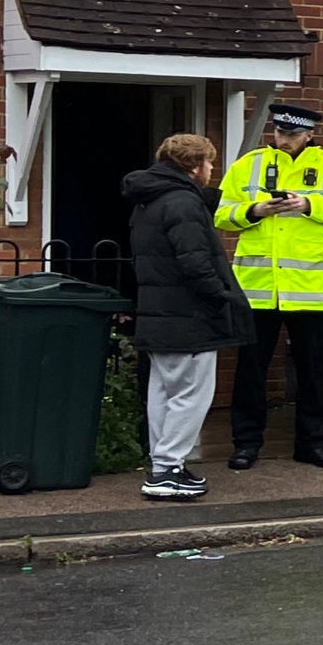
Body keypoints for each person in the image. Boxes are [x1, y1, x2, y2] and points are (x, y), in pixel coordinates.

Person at [215, 104, 323, 469]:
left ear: (310, 135)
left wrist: (310, 204)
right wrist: (255, 211)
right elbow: (222, 213)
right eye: (280, 133)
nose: (284, 140)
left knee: (313, 372)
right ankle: (246, 444)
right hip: (259, 289)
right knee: (250, 370)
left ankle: (311, 444)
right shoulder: (248, 164)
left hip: (313, 291)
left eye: (293, 135)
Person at [123, 133, 255, 501]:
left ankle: (163, 465)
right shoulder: (182, 202)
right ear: (194, 166)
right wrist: (220, 296)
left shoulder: (150, 199)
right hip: (188, 315)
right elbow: (195, 262)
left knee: (163, 392)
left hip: (160, 312)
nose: (212, 169)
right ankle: (167, 469)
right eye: (209, 163)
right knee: (191, 395)